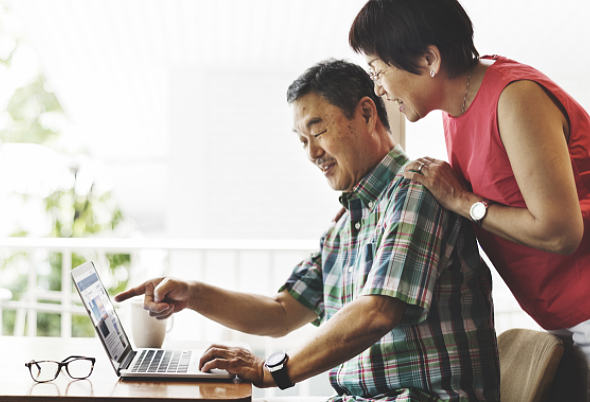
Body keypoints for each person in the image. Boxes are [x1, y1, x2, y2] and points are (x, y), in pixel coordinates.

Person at [115, 59, 500, 402]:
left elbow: (378, 311)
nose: (312, 153)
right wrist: (193, 293)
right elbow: (280, 313)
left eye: (317, 132)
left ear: (366, 114)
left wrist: (272, 371)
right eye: (302, 141)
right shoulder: (346, 225)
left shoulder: (416, 188)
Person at [348, 0, 590, 393]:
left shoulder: (515, 98)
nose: (378, 88)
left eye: (378, 70)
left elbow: (561, 233)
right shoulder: (455, 108)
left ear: (430, 59)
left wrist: (463, 202)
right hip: (562, 314)